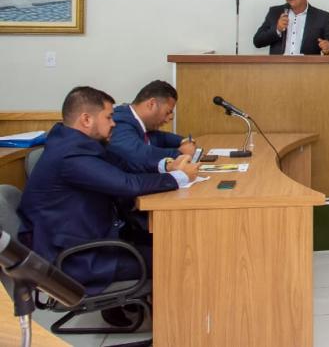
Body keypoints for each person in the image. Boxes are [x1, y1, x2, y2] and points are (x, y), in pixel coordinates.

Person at [18, 87, 199, 297]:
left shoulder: (76, 143)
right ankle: (176, 323)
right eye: (109, 117)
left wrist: (168, 167)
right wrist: (179, 177)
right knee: (176, 258)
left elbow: (123, 166)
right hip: (76, 259)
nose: (114, 123)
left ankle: (123, 307)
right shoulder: (70, 155)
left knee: (167, 241)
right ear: (86, 119)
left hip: (89, 239)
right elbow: (126, 184)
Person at [108, 80, 195, 172]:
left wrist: (184, 141)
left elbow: (160, 137)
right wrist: (179, 153)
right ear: (152, 104)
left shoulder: (137, 121)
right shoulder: (120, 122)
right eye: (167, 112)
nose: (168, 119)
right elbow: (138, 153)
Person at [253, 0, 329, 55]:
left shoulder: (321, 17)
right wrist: (277, 29)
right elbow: (257, 41)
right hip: (278, 69)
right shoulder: (275, 12)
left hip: (308, 69)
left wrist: (328, 49)